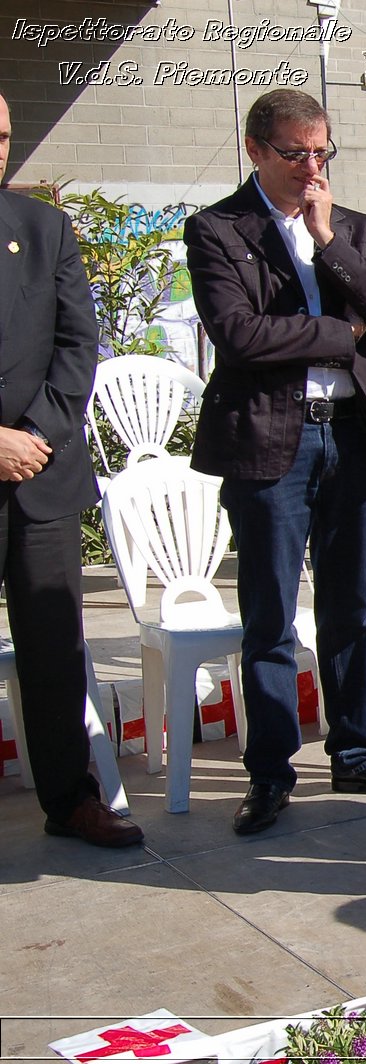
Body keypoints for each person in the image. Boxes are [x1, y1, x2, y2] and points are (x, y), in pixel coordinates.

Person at [185, 89, 366, 835]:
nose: (310, 168)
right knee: (268, 615)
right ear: (255, 148)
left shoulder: (349, 226)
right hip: (271, 437)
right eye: (295, 153)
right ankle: (270, 772)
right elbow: (239, 337)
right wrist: (339, 331)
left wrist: (328, 241)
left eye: (322, 153)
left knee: (349, 607)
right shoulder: (219, 230)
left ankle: (358, 750)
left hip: (353, 437)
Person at [0, 91, 143, 848]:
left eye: (2, 133)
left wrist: (30, 436)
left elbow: (76, 345)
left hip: (41, 474)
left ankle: (72, 800)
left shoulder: (42, 227)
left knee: (55, 649)